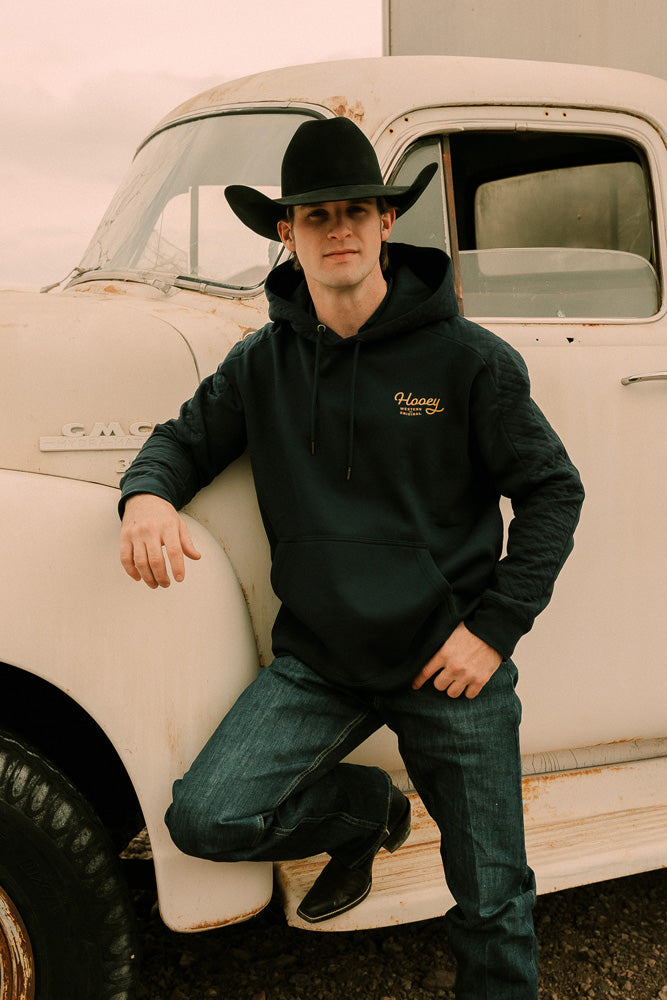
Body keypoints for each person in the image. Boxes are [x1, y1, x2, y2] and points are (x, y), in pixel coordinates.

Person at [119, 116, 584, 999]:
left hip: (449, 663)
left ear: (383, 225)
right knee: (206, 818)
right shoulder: (261, 364)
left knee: (491, 900)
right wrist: (145, 498)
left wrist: (493, 631)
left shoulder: (468, 361)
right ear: (284, 235)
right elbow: (179, 442)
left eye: (354, 212)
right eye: (314, 215)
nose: (337, 229)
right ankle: (364, 810)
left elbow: (553, 490)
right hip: (322, 662)